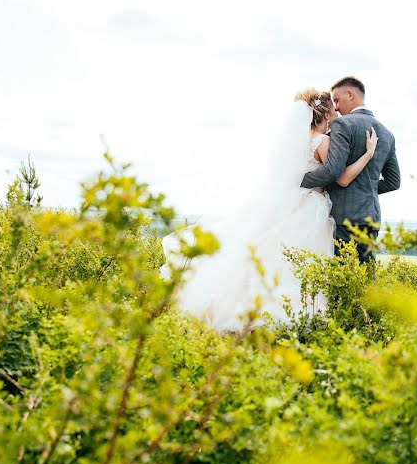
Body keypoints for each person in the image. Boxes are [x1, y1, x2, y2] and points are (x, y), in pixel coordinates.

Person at [161, 89, 378, 331]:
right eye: (334, 109)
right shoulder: (323, 141)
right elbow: (342, 177)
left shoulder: (299, 141)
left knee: (269, 255)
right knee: (299, 264)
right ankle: (294, 313)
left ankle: (238, 307)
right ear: (326, 114)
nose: (337, 113)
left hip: (292, 202)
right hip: (311, 205)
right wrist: (368, 154)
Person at [300, 76, 400, 265]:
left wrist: (297, 181)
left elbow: (332, 171)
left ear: (350, 94)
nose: (335, 107)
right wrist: (366, 186)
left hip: (343, 216)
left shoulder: (343, 124)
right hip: (371, 217)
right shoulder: (387, 134)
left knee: (342, 277)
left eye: (336, 100)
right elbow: (393, 181)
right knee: (365, 279)